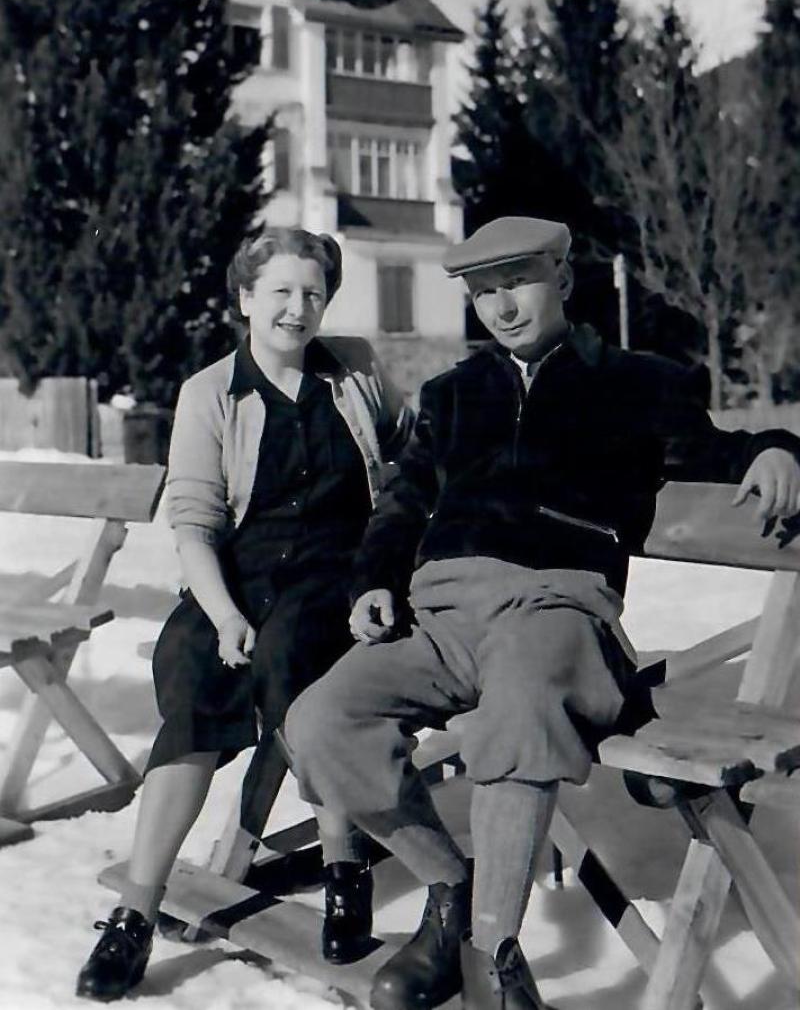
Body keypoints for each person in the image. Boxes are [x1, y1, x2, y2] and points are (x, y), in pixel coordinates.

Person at [285, 216, 800, 1010]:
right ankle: (451, 893)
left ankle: (491, 954)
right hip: (445, 609)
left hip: (559, 600)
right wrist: (374, 580)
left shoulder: (636, 382)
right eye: (484, 293)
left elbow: (715, 451)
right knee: (321, 719)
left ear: (562, 277)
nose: (502, 306)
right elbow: (403, 503)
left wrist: (776, 446)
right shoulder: (453, 395)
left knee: (522, 702)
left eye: (517, 283)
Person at [77, 226, 413, 1001]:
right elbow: (193, 523)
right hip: (237, 577)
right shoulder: (210, 392)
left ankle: (343, 873)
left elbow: (412, 454)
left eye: (313, 293)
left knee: (301, 663)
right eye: (281, 294)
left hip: (338, 579)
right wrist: (224, 612)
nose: (298, 309)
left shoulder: (355, 369)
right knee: (195, 676)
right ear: (245, 301)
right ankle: (136, 911)